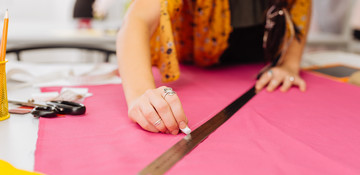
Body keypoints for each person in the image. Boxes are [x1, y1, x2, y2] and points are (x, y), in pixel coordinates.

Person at [116, 0, 311, 135]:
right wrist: (141, 94)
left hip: (258, 61)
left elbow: (299, 6)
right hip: (194, 60)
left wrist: (289, 64)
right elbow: (138, 19)